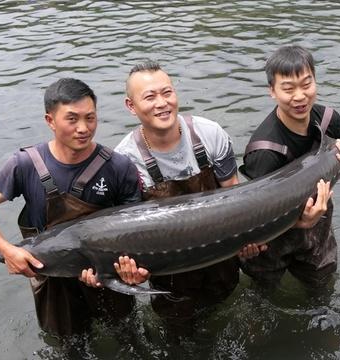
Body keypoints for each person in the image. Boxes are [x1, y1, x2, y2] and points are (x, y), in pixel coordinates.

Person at [0, 78, 147, 337]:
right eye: (72, 119)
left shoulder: (118, 166)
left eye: (90, 118)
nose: (83, 128)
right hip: (52, 279)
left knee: (126, 335)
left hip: (107, 274)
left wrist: (130, 271)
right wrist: (8, 250)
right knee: (68, 344)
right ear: (50, 121)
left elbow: (137, 229)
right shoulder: (25, 164)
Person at [112, 60, 264, 333]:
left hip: (221, 255)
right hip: (169, 275)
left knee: (229, 317)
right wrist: (130, 272)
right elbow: (128, 231)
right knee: (181, 335)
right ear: (131, 106)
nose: (162, 103)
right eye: (150, 97)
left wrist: (247, 240)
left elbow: (235, 198)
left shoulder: (209, 134)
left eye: (167, 92)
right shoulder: (124, 161)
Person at [239, 45, 340, 290]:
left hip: (319, 223)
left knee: (322, 286)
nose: (299, 96)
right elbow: (257, 216)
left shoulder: (330, 120)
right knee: (264, 293)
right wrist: (299, 222)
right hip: (274, 239)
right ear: (272, 92)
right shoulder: (264, 151)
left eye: (306, 84)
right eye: (288, 88)